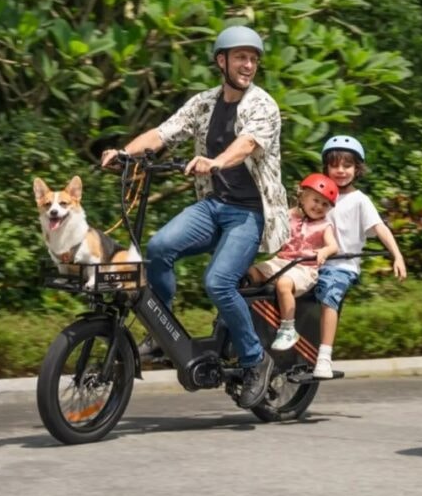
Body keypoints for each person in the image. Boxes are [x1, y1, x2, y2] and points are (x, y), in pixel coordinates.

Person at [101, 25, 289, 409]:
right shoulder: (204, 103)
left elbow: (247, 144)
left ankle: (256, 361)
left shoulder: (263, 105)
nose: (248, 65)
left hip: (249, 214)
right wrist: (124, 153)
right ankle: (160, 329)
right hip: (213, 206)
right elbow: (163, 132)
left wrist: (216, 162)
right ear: (221, 61)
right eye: (240, 57)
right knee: (158, 247)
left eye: (253, 59)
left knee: (218, 283)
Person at [310, 134, 407, 379]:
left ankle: (324, 356)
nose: (340, 170)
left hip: (341, 265)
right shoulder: (318, 194)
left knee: (328, 290)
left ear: (357, 168)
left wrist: (397, 256)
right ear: (326, 167)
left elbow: (380, 227)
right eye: (334, 165)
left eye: (347, 165)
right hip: (310, 262)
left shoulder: (359, 200)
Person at [248, 173, 340, 351]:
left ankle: (288, 328)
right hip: (282, 262)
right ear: (302, 196)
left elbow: (333, 246)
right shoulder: (289, 216)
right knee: (249, 273)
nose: (319, 207)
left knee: (284, 284)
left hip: (304, 269)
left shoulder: (324, 225)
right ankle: (246, 318)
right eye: (315, 200)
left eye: (325, 204)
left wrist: (324, 251)